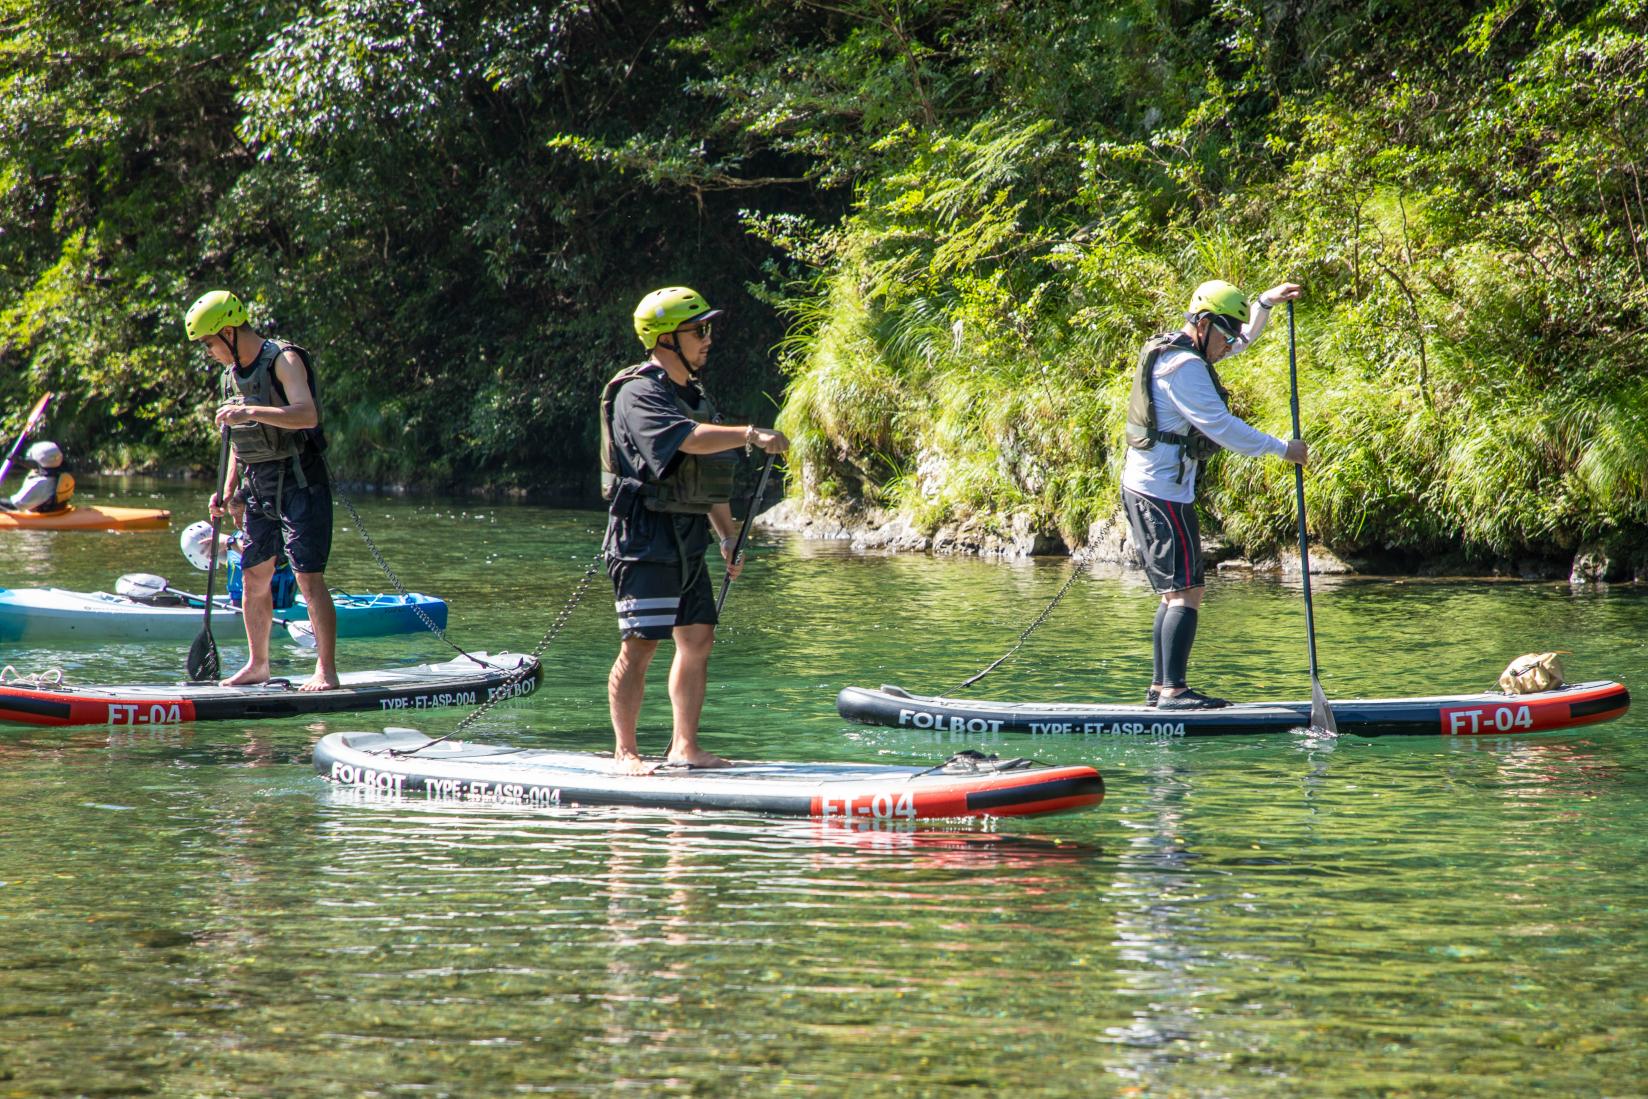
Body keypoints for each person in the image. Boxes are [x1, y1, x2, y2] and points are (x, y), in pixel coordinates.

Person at [601, 286, 789, 773]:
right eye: (697, 330)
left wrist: (727, 537)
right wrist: (751, 434)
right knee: (640, 645)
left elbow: (709, 478)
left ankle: (684, 746)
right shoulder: (638, 392)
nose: (707, 338)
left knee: (697, 639)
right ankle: (625, 753)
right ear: (666, 339)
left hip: (688, 536)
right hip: (643, 537)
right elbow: (686, 439)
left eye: (708, 329)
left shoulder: (695, 394)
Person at [1121, 279, 1308, 710]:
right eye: (1224, 335)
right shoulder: (1183, 368)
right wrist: (1283, 449)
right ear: (1203, 326)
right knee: (1187, 590)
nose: (1229, 346)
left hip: (1162, 487)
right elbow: (1221, 428)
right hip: (1159, 490)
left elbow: (1240, 341)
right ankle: (1172, 692)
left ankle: (1160, 688)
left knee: (1176, 592)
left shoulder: (1188, 350)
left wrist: (1264, 304)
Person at [184, 289, 338, 691]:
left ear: (230, 331)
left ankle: (325, 670)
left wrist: (249, 409)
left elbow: (306, 414)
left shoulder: (283, 360)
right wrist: (230, 491)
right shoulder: (230, 377)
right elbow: (239, 441)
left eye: (209, 342)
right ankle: (258, 665)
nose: (208, 351)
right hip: (258, 486)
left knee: (308, 578)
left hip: (302, 482)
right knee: (253, 576)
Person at [0, 442, 74, 512]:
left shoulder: (40, 483)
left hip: (42, 515)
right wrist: (17, 460)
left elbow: (15, 505)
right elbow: (34, 465)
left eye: (30, 459)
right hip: (58, 510)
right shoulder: (59, 472)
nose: (27, 460)